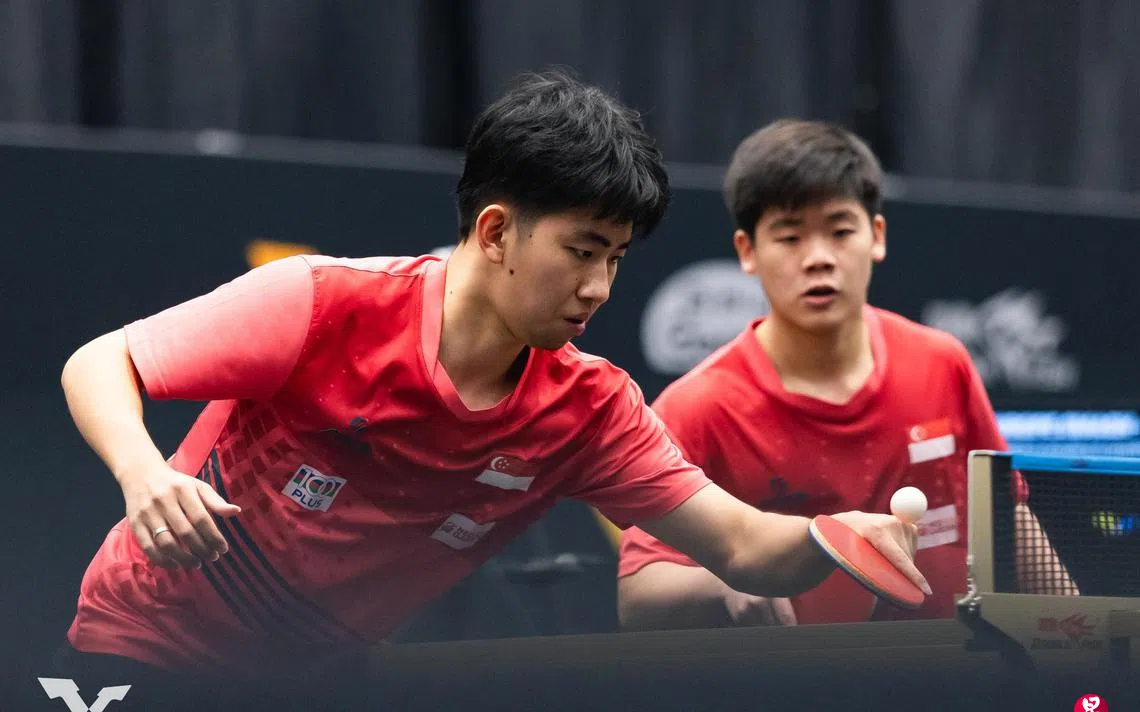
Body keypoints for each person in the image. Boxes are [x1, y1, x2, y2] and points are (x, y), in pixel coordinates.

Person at [58, 75, 926, 680]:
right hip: (145, 643)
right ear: (498, 231)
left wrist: (836, 537)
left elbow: (740, 545)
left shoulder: (589, 411)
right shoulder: (320, 303)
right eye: (582, 251)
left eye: (617, 258)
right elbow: (101, 362)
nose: (599, 287)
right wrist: (143, 474)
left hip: (313, 683)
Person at [617, 119, 1075, 632]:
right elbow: (638, 596)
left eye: (840, 231)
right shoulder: (697, 406)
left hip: (954, 665)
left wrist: (1079, 630)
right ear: (748, 251)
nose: (818, 259)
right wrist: (723, 583)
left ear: (876, 237)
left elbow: (1007, 516)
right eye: (790, 237)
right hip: (801, 676)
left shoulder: (943, 362)